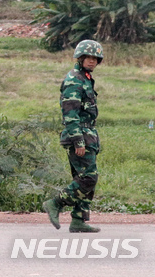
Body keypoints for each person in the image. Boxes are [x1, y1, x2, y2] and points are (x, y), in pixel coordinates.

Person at [43, 40, 103, 233]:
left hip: (88, 135)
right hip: (79, 136)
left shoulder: (85, 79)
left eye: (95, 58)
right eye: (89, 57)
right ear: (80, 58)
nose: (92, 61)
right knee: (88, 177)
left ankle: (79, 220)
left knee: (84, 178)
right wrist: (78, 140)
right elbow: (70, 113)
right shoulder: (74, 79)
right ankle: (55, 203)